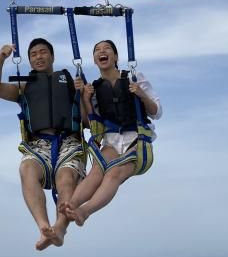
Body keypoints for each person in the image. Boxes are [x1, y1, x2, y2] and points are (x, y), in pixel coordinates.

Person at [0, 38, 86, 250]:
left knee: (66, 180)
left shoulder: (69, 81)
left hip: (69, 141)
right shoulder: (24, 87)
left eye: (43, 52)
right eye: (33, 54)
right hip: (38, 144)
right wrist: (1, 58)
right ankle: (43, 227)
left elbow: (87, 120)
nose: (38, 56)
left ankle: (59, 229)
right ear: (30, 61)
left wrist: (83, 93)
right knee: (26, 169)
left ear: (52, 56)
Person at [65, 39, 161, 226]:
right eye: (97, 50)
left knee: (113, 173)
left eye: (107, 48)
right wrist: (84, 98)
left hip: (138, 141)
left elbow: (157, 112)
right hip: (111, 140)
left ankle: (85, 210)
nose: (102, 51)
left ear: (115, 56)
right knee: (96, 172)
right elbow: (89, 122)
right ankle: (71, 205)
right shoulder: (93, 88)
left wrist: (141, 94)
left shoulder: (135, 78)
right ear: (94, 60)